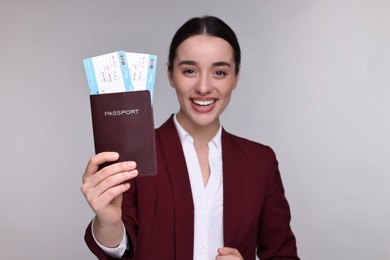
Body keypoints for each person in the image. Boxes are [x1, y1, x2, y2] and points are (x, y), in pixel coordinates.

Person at [82, 15, 300, 260]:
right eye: (189, 70)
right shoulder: (134, 155)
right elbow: (124, 247)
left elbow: (283, 254)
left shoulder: (261, 161)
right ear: (170, 75)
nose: (204, 87)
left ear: (235, 77)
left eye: (219, 72)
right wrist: (108, 223)